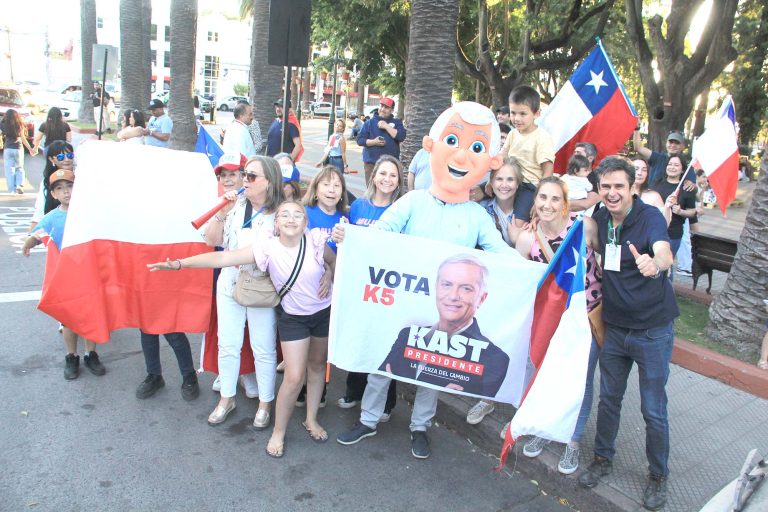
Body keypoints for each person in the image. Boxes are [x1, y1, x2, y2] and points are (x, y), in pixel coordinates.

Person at [335, 101, 522, 459]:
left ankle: (420, 426)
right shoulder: (414, 201)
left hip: (443, 310)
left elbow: (499, 250)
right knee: (382, 362)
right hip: (402, 303)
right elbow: (382, 231)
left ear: (489, 163)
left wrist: (533, 271)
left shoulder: (476, 215)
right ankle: (369, 419)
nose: (464, 157)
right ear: (432, 146)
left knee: (431, 373)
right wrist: (353, 237)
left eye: (477, 150)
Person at [148, 200, 335, 459]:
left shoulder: (315, 241)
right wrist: (180, 264)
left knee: (317, 365)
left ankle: (311, 420)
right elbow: (224, 257)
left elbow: (335, 263)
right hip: (294, 318)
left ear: (305, 222)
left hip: (322, 313)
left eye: (297, 215)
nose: (291, 219)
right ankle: (278, 432)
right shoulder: (267, 247)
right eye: (285, 215)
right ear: (277, 223)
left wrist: (329, 272)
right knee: (293, 377)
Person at [578, 157, 677, 512]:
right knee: (609, 399)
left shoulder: (648, 216)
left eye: (619, 186)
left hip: (652, 330)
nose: (612, 193)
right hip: (616, 328)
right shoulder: (601, 218)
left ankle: (658, 476)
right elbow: (578, 226)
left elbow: (664, 250)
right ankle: (603, 459)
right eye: (606, 187)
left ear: (632, 187)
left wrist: (656, 263)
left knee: (653, 409)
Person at [513, 176, 603, 475]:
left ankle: (573, 442)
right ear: (534, 201)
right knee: (548, 375)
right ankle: (546, 430)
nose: (547, 204)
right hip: (551, 320)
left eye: (554, 199)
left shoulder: (584, 227)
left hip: (585, 318)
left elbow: (605, 262)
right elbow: (522, 282)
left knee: (580, 379)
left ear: (565, 203)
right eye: (542, 198)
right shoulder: (527, 238)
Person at [200, 155, 284, 427]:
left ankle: (265, 403)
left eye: (251, 176)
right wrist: (222, 211)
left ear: (269, 182)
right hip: (230, 280)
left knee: (263, 347)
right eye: (244, 175)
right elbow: (212, 241)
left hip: (262, 286)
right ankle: (226, 397)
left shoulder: (282, 212)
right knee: (228, 344)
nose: (243, 180)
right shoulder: (235, 206)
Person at [380, 255, 510, 397]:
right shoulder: (407, 335)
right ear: (436, 288)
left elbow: (471, 399)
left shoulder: (494, 359)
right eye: (447, 285)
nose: (453, 296)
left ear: (481, 298)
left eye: (466, 288)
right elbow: (385, 371)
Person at [22, 169, 107, 380]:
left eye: (69, 186)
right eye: (59, 188)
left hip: (89, 275)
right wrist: (28, 243)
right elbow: (38, 234)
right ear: (53, 194)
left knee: (89, 316)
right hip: (65, 278)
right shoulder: (52, 218)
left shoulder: (88, 215)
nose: (66, 192)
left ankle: (91, 354)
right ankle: (72, 356)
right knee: (68, 320)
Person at [337, 155, 403, 415]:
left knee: (387, 343)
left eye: (393, 175)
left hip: (388, 287)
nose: (387, 179)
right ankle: (354, 390)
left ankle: (387, 402)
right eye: (383, 173)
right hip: (361, 285)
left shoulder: (402, 209)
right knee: (360, 338)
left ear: (399, 181)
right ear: (374, 175)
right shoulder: (359, 207)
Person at [499, 85, 555, 225]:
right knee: (477, 193)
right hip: (509, 179)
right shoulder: (512, 134)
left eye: (523, 114)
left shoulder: (542, 137)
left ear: (536, 114)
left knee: (518, 223)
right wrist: (489, 181)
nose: (516, 118)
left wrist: (540, 197)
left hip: (529, 186)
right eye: (513, 113)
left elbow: (548, 170)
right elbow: (501, 157)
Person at [651, 154, 698, 271]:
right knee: (652, 265)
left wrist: (680, 211)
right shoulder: (656, 183)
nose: (672, 167)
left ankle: (667, 289)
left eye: (676, 165)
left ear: (682, 169)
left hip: (672, 234)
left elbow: (692, 212)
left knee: (666, 268)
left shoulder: (687, 188)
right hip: (653, 231)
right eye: (670, 164)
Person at [357, 97, 407, 185]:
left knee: (388, 191)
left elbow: (401, 136)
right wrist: (374, 142)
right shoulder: (369, 123)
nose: (382, 109)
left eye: (386, 107)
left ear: (391, 110)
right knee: (371, 193)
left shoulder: (397, 122)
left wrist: (387, 126)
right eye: (382, 106)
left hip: (391, 166)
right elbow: (360, 140)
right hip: (372, 165)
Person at [29, 140, 75, 232]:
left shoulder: (82, 175)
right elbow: (40, 208)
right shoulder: (47, 181)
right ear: (51, 159)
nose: (66, 159)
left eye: (70, 155)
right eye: (60, 157)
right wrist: (32, 232)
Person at [1, 109, 34, 194]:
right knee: (19, 168)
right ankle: (19, 185)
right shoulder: (20, 124)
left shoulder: (3, 124)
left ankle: (12, 189)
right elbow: (23, 138)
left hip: (8, 149)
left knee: (9, 170)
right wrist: (30, 148)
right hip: (18, 148)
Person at [631, 157, 670, 224]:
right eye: (636, 169)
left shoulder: (654, 196)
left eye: (644, 170)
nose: (639, 173)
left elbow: (664, 224)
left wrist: (667, 207)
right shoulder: (619, 193)